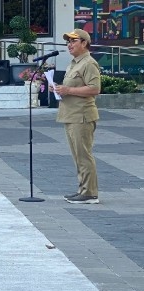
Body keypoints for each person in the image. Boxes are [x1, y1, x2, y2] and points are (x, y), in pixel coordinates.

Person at [53, 29, 101, 204]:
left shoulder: (89, 63)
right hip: (71, 115)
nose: (69, 44)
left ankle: (90, 193)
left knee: (83, 155)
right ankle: (83, 189)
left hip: (82, 116)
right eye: (68, 41)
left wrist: (69, 90)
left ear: (84, 43)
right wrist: (60, 89)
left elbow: (95, 89)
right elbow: (71, 87)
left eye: (74, 41)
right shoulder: (74, 63)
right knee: (77, 156)